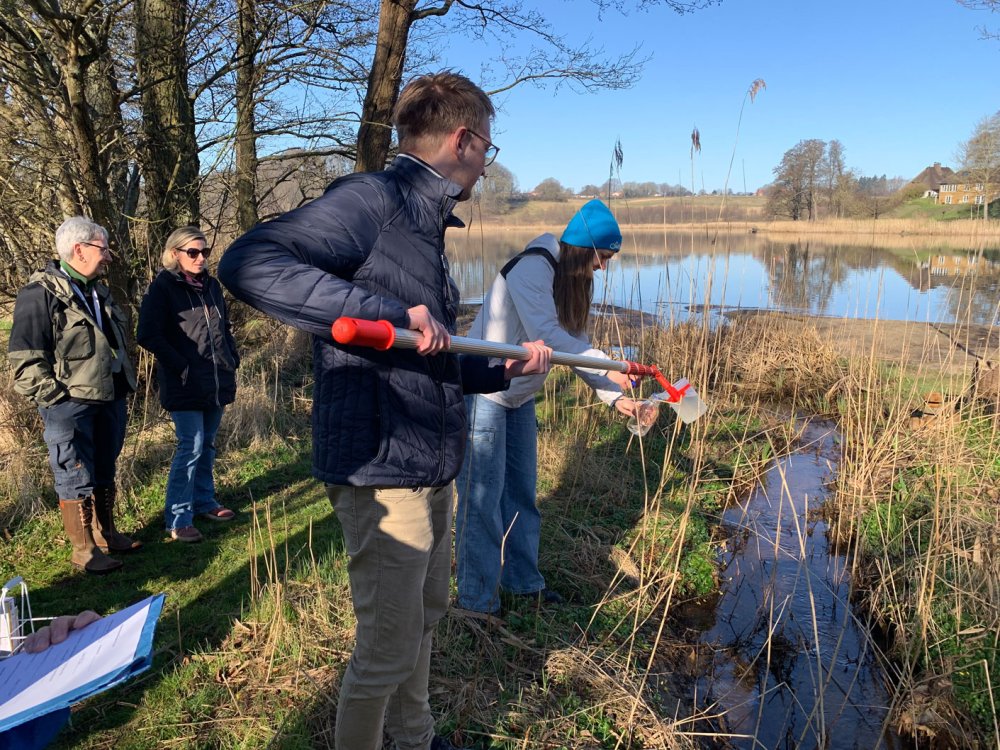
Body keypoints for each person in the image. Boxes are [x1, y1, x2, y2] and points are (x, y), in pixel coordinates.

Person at [218, 71, 551, 750]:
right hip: (380, 467)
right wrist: (384, 313)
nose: (489, 161)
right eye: (488, 145)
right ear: (463, 139)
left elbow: (425, 351)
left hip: (428, 461)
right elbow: (248, 261)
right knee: (387, 649)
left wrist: (498, 365)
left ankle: (416, 737)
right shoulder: (374, 199)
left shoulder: (421, 223)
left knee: (424, 620)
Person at [454, 199, 643, 615]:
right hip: (484, 391)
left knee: (522, 494)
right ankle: (475, 602)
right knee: (481, 499)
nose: (603, 268)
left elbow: (572, 345)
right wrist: (611, 365)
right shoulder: (532, 268)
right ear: (583, 250)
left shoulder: (573, 282)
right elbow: (548, 337)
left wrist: (615, 396)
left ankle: (523, 584)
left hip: (520, 395)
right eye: (602, 258)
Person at [8, 216, 140, 575]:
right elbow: (25, 361)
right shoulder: (39, 294)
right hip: (69, 404)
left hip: (108, 394)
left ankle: (105, 533)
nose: (109, 257)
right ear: (79, 250)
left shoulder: (96, 290)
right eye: (103, 249)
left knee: (105, 465)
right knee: (72, 472)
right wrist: (57, 398)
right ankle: (84, 552)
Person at [137, 227, 240, 543]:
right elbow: (147, 334)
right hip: (184, 383)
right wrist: (179, 365)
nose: (200, 258)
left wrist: (231, 357)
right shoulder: (163, 288)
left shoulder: (212, 286)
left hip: (216, 379)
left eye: (204, 252)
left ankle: (204, 502)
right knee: (190, 447)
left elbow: (224, 326)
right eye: (192, 252)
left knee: (207, 444)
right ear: (174, 255)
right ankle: (178, 517)